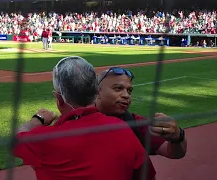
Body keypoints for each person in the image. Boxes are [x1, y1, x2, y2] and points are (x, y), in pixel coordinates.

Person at [13, 57, 155, 180]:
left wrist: (38, 119)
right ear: (96, 92)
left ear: (59, 99)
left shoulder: (44, 140)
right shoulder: (124, 129)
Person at [95, 67, 188, 174]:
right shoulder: (78, 120)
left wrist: (177, 136)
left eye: (129, 91)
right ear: (98, 92)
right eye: (118, 88)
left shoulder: (134, 123)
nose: (126, 95)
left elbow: (174, 153)